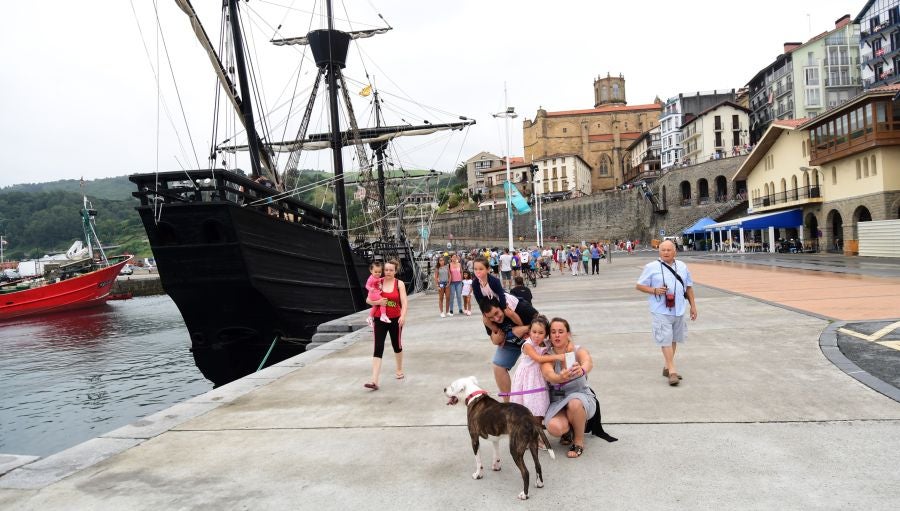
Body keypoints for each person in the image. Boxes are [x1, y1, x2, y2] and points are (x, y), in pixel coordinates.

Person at [635, 240, 698, 386]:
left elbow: (689, 287)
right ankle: (672, 371)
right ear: (659, 251)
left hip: (679, 309)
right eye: (663, 250)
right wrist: (654, 290)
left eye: (669, 250)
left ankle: (667, 367)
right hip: (660, 310)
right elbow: (639, 285)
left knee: (673, 339)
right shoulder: (651, 267)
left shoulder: (682, 266)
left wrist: (693, 306)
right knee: (665, 339)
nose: (666, 252)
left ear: (675, 251)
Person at [540, 317, 596, 459]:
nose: (557, 335)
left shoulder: (577, 350)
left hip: (580, 397)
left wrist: (582, 369)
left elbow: (588, 361)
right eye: (553, 332)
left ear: (568, 334)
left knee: (574, 403)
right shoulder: (548, 356)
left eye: (561, 331)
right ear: (549, 335)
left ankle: (578, 441)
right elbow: (548, 374)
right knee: (555, 427)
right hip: (558, 401)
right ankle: (568, 430)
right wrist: (559, 378)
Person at [480, 296, 538, 402]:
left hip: (532, 338)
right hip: (511, 341)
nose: (496, 319)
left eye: (497, 313)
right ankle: (508, 404)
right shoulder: (488, 320)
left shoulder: (520, 307)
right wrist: (493, 329)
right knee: (498, 366)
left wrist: (524, 329)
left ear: (501, 306)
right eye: (491, 317)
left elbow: (542, 323)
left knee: (537, 365)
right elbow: (494, 340)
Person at [364, 259, 408, 390]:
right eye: (386, 270)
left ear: (395, 271)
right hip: (379, 319)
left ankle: (399, 369)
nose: (388, 272)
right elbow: (368, 300)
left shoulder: (399, 284)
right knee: (378, 347)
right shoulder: (378, 281)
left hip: (395, 319)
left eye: (391, 270)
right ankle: (374, 380)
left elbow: (404, 302)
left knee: (397, 345)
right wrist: (378, 303)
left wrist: (403, 316)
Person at [509, 316, 562, 420]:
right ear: (529, 332)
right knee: (528, 402)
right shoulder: (528, 345)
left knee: (539, 402)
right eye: (534, 332)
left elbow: (557, 341)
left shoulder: (546, 343)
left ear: (546, 334)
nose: (536, 336)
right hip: (527, 377)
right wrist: (558, 357)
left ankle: (538, 423)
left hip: (539, 376)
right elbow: (538, 358)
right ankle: (528, 424)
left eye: (540, 333)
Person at [471, 256, 524, 326]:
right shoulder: (475, 284)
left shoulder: (494, 281)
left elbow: (501, 295)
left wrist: (503, 307)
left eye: (481, 269)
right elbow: (479, 300)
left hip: (501, 300)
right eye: (475, 269)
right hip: (490, 304)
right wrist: (484, 312)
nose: (478, 271)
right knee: (486, 320)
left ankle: (521, 326)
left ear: (488, 269)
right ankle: (496, 331)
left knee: (508, 312)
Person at [365, 261, 390, 327]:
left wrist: (380, 285)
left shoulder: (377, 278)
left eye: (379, 272)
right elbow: (366, 285)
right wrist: (371, 289)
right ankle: (383, 315)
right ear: (371, 271)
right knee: (383, 301)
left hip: (376, 293)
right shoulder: (371, 279)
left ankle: (370, 317)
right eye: (376, 272)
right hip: (373, 294)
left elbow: (379, 282)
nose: (378, 274)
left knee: (375, 306)